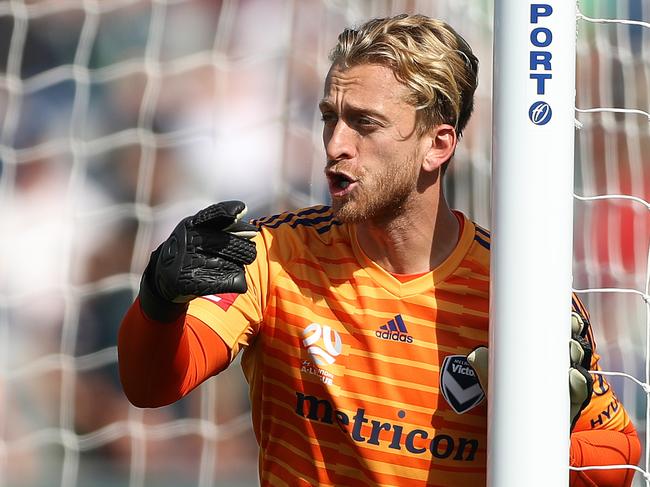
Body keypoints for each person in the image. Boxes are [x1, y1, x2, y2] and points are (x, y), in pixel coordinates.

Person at [118, 14, 640, 486]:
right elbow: (151, 387)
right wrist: (160, 301)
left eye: (364, 123)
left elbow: (617, 464)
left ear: (438, 145)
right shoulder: (274, 255)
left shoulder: (517, 292)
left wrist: (555, 430)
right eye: (330, 117)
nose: (335, 144)